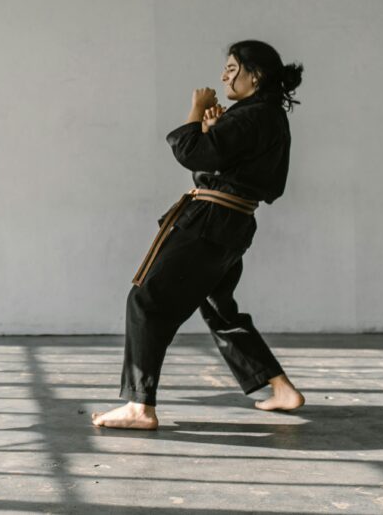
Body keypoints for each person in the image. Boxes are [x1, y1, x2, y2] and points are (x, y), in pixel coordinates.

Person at [92, 40, 305, 430]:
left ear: (254, 75)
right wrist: (214, 128)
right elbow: (233, 163)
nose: (224, 75)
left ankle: (140, 406)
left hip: (209, 220)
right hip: (233, 223)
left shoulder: (252, 116)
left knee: (145, 299)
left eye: (231, 68)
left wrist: (195, 113)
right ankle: (280, 387)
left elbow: (193, 154)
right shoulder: (269, 116)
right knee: (219, 307)